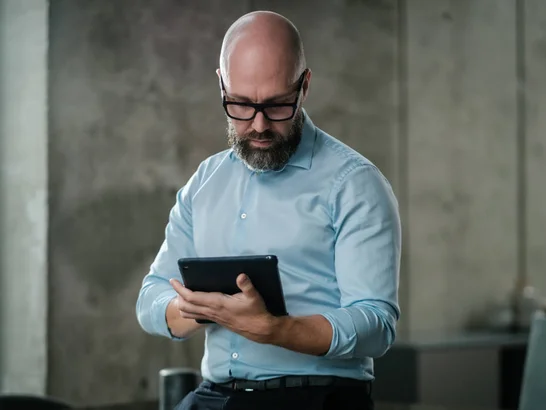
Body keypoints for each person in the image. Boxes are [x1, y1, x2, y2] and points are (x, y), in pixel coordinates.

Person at [136, 10, 401, 410]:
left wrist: (275, 329)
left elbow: (376, 325)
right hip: (216, 395)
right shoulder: (205, 182)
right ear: (221, 85)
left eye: (277, 105)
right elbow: (150, 299)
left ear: (304, 86)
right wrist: (195, 309)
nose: (259, 124)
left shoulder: (354, 183)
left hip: (316, 398)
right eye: (240, 104)